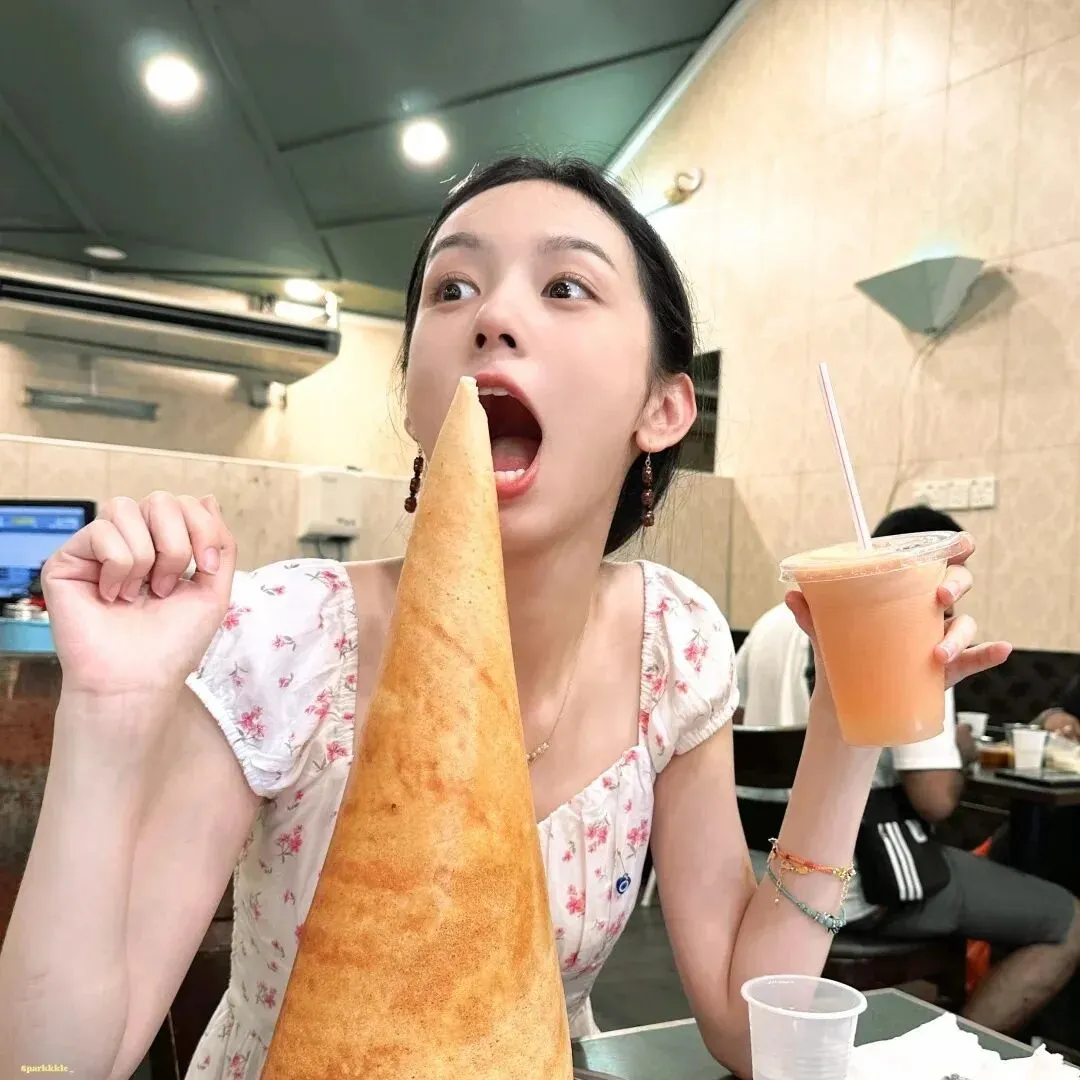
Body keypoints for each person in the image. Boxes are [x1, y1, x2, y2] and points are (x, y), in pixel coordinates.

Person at [0, 158, 1005, 1080]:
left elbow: (748, 1031)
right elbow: (66, 1065)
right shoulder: (286, 634)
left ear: (662, 409)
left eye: (565, 286)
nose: (491, 317)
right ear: (413, 399)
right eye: (452, 289)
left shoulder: (674, 642)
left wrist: (848, 727)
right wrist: (108, 710)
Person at [736, 504, 1080, 1035]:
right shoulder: (910, 630)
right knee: (1067, 920)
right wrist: (958, 751)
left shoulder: (768, 625)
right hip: (862, 883)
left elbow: (740, 728)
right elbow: (935, 799)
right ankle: (950, 1056)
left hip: (758, 868)